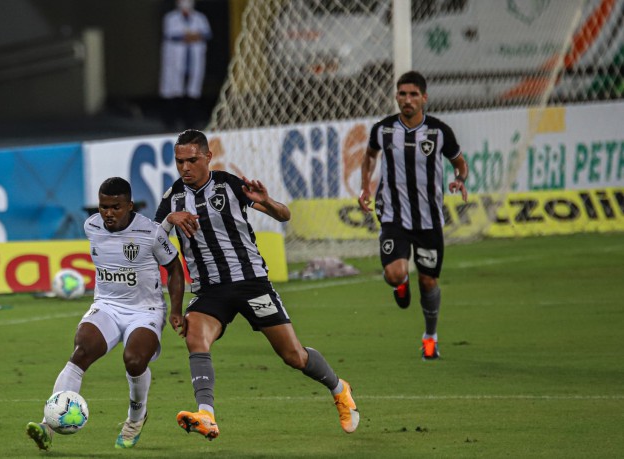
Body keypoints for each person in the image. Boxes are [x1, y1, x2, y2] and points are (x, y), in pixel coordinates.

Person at [155, 129, 360, 440]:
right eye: (179, 161)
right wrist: (170, 220)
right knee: (195, 336)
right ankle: (206, 415)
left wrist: (267, 201)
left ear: (208, 157)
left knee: (293, 356)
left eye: (192, 160)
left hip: (252, 284)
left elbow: (283, 215)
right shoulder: (173, 198)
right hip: (211, 291)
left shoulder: (229, 185)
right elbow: (153, 242)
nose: (185, 168)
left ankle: (339, 388)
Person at [26, 177, 185, 450]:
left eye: (115, 207)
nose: (108, 213)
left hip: (145, 310)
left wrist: (176, 310)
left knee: (134, 360)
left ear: (130, 206)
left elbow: (175, 269)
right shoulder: (91, 226)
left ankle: (136, 418)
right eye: (103, 207)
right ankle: (47, 425)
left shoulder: (151, 233)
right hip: (108, 305)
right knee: (82, 350)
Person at [358, 71, 469, 360]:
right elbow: (369, 157)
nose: (407, 100)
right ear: (396, 96)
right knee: (394, 273)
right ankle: (401, 283)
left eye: (413, 94)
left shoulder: (439, 131)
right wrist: (364, 186)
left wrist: (460, 178)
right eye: (402, 94)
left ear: (424, 98)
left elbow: (459, 163)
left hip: (429, 219)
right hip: (393, 215)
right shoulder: (382, 130)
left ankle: (430, 336)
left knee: (429, 281)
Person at [159, 0, 212, 130]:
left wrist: (190, 37)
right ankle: (172, 122)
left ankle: (191, 122)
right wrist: (191, 37)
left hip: (193, 59)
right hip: (176, 60)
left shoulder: (200, 18)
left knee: (193, 91)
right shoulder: (170, 18)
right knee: (174, 90)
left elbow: (206, 34)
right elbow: (172, 35)